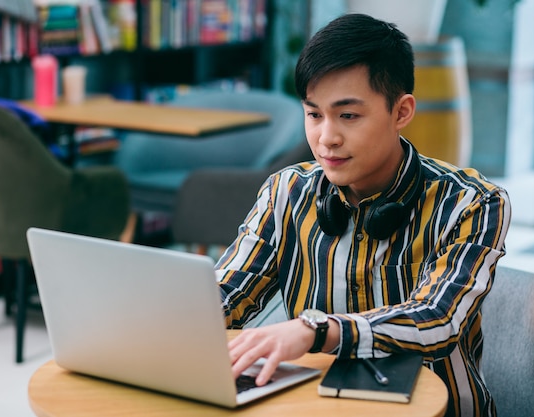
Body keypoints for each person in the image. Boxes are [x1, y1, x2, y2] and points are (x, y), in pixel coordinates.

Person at [216, 13, 510, 417]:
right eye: (314, 114)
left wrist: (315, 329)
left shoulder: (473, 203)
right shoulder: (287, 192)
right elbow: (228, 292)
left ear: (402, 111)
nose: (326, 138)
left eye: (348, 115)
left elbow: (437, 318)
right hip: (319, 407)